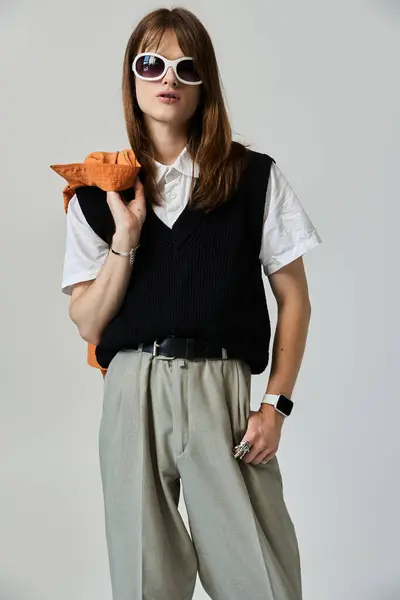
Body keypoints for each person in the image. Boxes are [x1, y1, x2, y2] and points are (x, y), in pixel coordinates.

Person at [61, 7, 321, 600]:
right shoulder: (97, 195)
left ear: (207, 82)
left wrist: (276, 404)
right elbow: (88, 324)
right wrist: (125, 240)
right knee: (143, 577)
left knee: (260, 576)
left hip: (220, 389)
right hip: (132, 391)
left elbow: (295, 297)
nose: (168, 79)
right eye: (151, 64)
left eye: (187, 66)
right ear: (132, 78)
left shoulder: (254, 178)